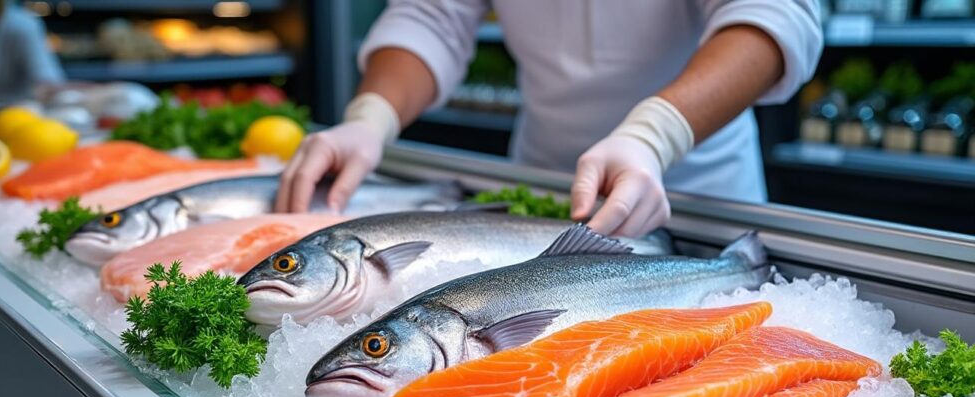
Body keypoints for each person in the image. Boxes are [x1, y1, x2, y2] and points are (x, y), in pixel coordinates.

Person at [278, 1, 822, 237]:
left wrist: (653, 136)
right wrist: (370, 118)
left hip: (698, 188)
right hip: (542, 188)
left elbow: (774, 14)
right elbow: (432, 16)